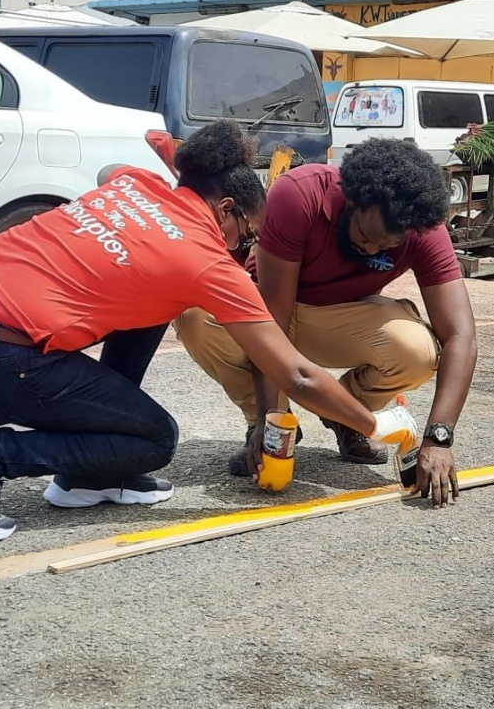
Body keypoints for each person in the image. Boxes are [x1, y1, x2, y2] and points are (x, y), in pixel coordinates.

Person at [0, 120, 413, 541]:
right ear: (225, 212)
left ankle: (88, 479)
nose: (248, 249)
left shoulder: (135, 184)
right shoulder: (206, 262)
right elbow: (297, 375)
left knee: (155, 304)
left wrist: (176, 163)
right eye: (250, 234)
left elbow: (110, 171)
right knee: (156, 439)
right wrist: (376, 425)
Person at [175, 138, 476, 508]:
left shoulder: (421, 228)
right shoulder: (299, 194)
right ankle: (265, 420)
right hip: (269, 309)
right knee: (195, 316)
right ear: (351, 198)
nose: (371, 250)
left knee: (418, 350)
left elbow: (461, 335)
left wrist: (438, 439)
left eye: (386, 247)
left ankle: (347, 416)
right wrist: (273, 425)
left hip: (334, 318)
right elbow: (273, 319)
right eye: (365, 237)